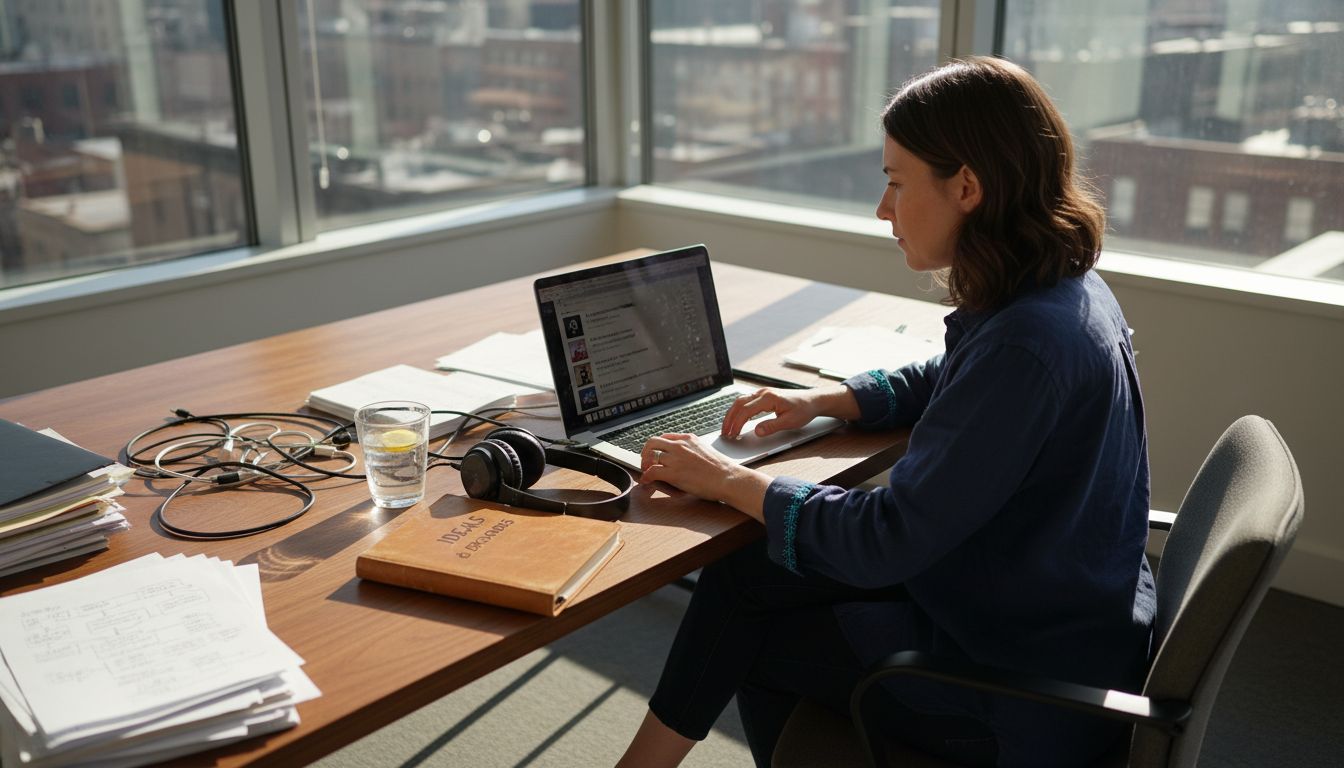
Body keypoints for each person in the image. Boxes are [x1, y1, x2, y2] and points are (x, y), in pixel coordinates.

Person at [615, 56, 1155, 768]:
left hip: (1017, 685)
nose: (882, 210)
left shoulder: (1027, 342)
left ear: (966, 186)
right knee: (748, 573)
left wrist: (724, 480)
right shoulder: (1063, 291)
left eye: (896, 183)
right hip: (1048, 602)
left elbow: (886, 540)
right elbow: (955, 375)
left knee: (747, 637)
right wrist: (829, 399)